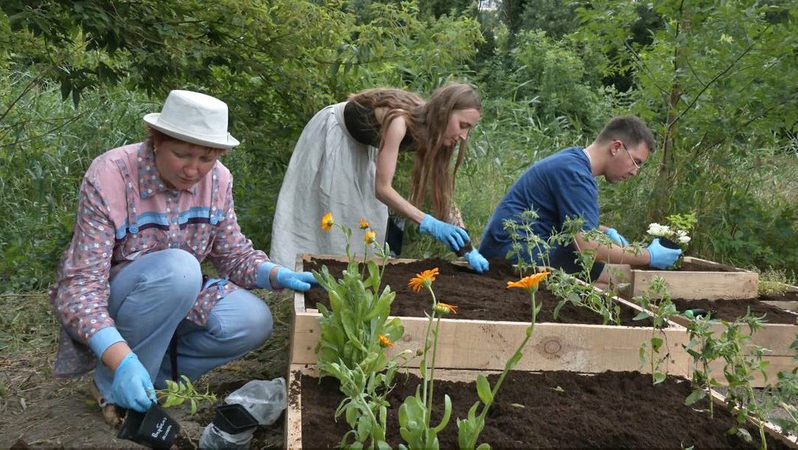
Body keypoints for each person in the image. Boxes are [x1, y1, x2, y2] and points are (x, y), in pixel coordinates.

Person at [48, 90, 318, 424]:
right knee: (181, 269)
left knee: (252, 320)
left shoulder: (219, 181)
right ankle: (112, 381)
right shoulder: (112, 176)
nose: (193, 170)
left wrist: (275, 273)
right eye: (182, 154)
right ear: (157, 141)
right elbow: (79, 287)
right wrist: (122, 358)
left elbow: (233, 255)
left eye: (207, 159)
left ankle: (151, 381)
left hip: (180, 289)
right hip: (115, 300)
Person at [270, 83, 490, 273]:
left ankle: (348, 285)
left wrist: (467, 247)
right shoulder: (400, 121)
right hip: (335, 135)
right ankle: (295, 278)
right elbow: (382, 189)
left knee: (367, 224)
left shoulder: (437, 136)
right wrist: (429, 223)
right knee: (332, 216)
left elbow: (442, 194)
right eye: (463, 126)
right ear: (444, 112)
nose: (464, 136)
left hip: (364, 148)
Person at [479, 115, 682, 286]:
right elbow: (588, 247)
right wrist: (648, 256)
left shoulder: (572, 163)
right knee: (622, 280)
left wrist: (606, 232)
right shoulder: (575, 175)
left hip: (508, 249)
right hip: (512, 255)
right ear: (616, 147)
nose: (635, 172)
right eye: (636, 162)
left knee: (613, 272)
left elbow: (569, 222)